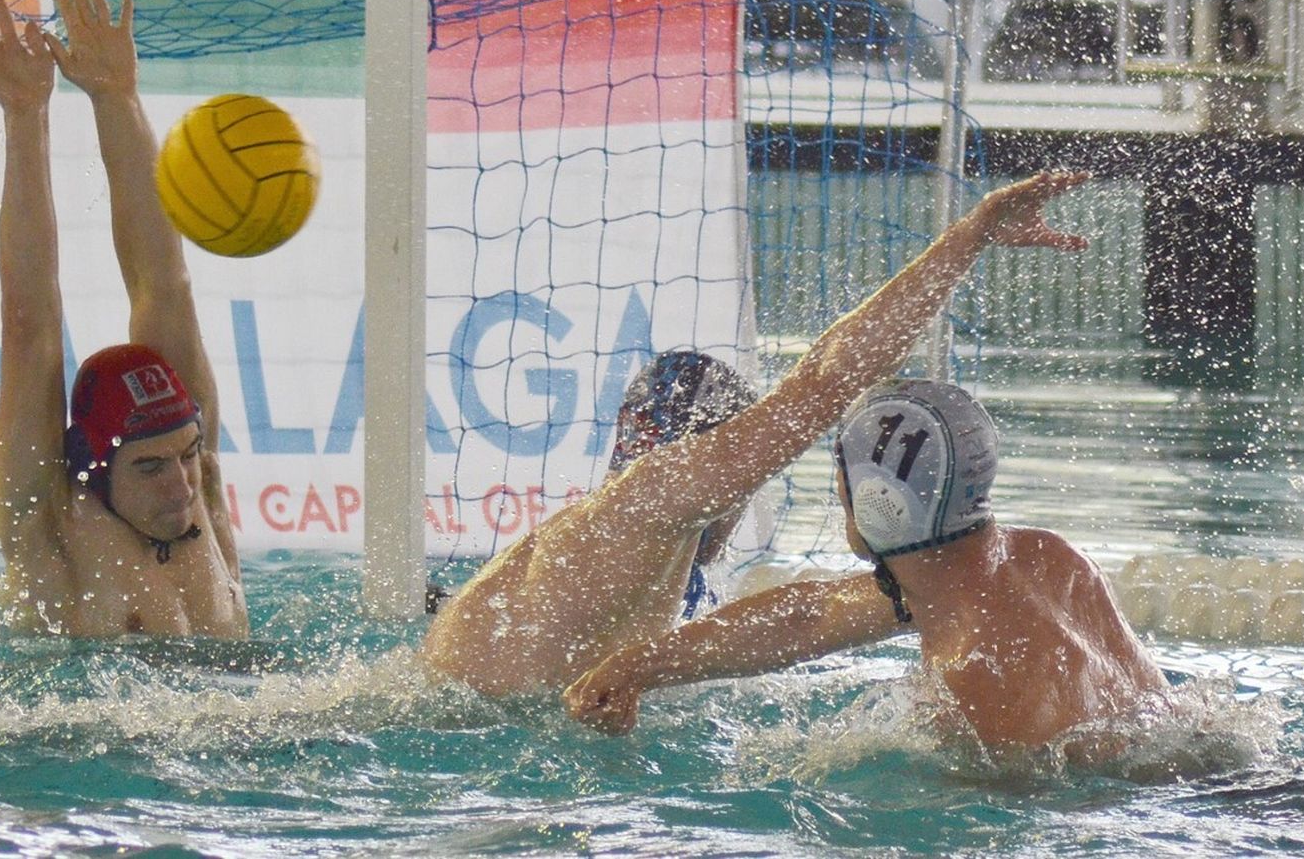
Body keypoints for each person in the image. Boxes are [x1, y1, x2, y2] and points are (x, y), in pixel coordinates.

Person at [421, 171, 1091, 696]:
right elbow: (823, 383)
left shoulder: (617, 544)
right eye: (742, 475)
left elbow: (813, 617)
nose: (742, 498)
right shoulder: (656, 494)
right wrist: (969, 236)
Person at [562, 378, 1169, 756]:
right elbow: (810, 615)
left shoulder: (977, 674)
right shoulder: (1048, 558)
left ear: (881, 500)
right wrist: (637, 665)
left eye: (842, 476)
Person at [0, 0, 247, 638]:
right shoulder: (49, 525)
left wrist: (116, 95)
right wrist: (26, 115)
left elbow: (163, 283)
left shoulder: (201, 487)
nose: (182, 485)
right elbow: (30, 326)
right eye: (150, 467)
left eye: (185, 454)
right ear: (93, 466)